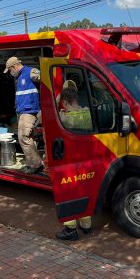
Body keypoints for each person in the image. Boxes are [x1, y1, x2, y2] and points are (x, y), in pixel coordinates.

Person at [55, 80, 93, 241]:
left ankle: (70, 229)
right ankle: (86, 225)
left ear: (64, 102)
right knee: (84, 191)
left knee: (68, 193)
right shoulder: (88, 113)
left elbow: (45, 115)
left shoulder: (64, 118)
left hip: (68, 161)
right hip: (86, 160)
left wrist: (58, 98)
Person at [3, 56, 44, 174]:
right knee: (29, 138)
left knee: (23, 138)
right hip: (22, 112)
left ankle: (35, 164)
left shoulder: (31, 72)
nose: (10, 73)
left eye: (10, 70)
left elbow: (45, 78)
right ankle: (33, 162)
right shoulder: (19, 77)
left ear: (14, 66)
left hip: (29, 112)